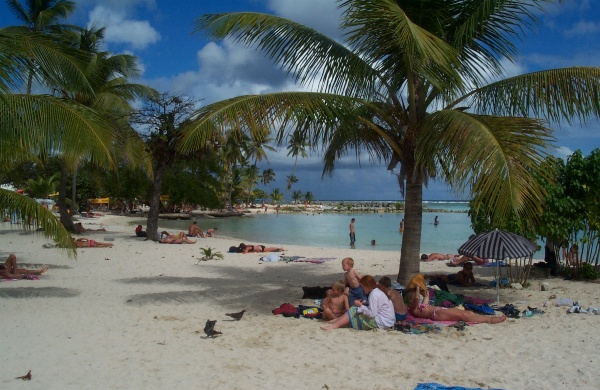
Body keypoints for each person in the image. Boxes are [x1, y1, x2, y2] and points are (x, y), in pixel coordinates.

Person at [406, 274, 506, 324]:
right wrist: (418, 290)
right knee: (463, 315)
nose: (416, 297)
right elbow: (416, 299)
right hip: (437, 313)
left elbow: (425, 298)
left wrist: (425, 292)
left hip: (439, 311)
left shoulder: (420, 307)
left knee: (467, 313)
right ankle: (490, 320)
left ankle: (487, 319)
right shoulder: (414, 309)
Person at [321, 275, 395, 331]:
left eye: (363, 287)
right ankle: (335, 322)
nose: (362, 289)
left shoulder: (373, 294)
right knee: (354, 310)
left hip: (382, 322)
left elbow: (372, 313)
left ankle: (334, 325)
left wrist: (361, 306)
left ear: (367, 286)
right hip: (388, 321)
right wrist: (364, 303)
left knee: (353, 310)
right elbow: (376, 306)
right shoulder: (377, 292)